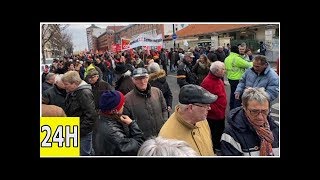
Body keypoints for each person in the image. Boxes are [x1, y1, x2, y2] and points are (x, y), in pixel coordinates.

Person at [158, 84, 218, 156]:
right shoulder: (166, 140)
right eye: (205, 105)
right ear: (190, 108)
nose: (209, 108)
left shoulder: (201, 119)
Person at [220, 87, 279, 156]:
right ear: (244, 108)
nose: (260, 117)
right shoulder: (231, 135)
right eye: (254, 111)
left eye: (264, 111)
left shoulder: (276, 128)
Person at [94, 90, 144, 156]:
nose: (124, 105)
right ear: (114, 110)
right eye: (122, 104)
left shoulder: (101, 117)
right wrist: (132, 124)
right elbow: (138, 146)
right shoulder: (113, 132)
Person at [123, 68, 168, 140]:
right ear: (133, 80)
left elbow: (164, 109)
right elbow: (126, 125)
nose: (142, 81)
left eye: (144, 78)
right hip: (143, 141)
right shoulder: (127, 99)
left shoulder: (157, 92)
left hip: (161, 137)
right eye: (138, 79)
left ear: (148, 78)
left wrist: (165, 123)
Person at [62, 71, 97, 156]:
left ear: (74, 83)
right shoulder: (74, 91)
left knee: (84, 153)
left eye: (66, 84)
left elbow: (91, 115)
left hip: (82, 132)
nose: (64, 87)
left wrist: (79, 132)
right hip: (76, 129)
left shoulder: (84, 93)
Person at [201, 61, 227, 154]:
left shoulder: (218, 78)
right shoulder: (207, 82)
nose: (225, 71)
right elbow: (205, 100)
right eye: (223, 69)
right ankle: (214, 150)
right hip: (214, 115)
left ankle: (218, 146)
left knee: (220, 132)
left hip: (220, 113)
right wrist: (216, 110)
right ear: (216, 71)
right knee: (214, 134)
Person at [224, 46, 252, 110]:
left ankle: (231, 106)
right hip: (237, 79)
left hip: (230, 78)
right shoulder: (237, 59)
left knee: (233, 93)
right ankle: (236, 109)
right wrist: (255, 62)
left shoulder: (227, 58)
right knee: (237, 95)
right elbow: (248, 65)